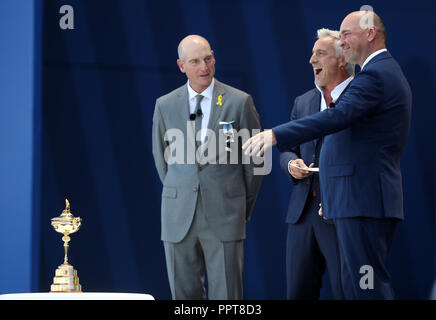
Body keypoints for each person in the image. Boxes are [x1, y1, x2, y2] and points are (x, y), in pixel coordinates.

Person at [243, 11, 412, 299]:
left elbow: (339, 116)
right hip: (352, 202)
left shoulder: (377, 75)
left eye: (346, 34)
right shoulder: (378, 73)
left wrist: (275, 135)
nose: (343, 40)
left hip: (363, 202)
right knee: (359, 286)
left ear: (370, 34)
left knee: (366, 287)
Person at [152, 35, 262, 300]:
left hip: (225, 213)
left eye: (208, 59)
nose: (204, 67)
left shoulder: (239, 101)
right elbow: (162, 158)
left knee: (226, 296)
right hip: (179, 216)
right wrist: (182, 190)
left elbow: (255, 162)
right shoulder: (165, 105)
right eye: (195, 61)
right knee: (183, 296)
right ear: (181, 66)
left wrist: (239, 206)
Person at [281, 28, 354, 299]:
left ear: (342, 59)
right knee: (298, 293)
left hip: (341, 213)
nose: (312, 60)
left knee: (346, 291)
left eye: (320, 54)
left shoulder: (361, 97)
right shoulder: (303, 102)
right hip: (302, 214)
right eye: (312, 54)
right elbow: (287, 148)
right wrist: (290, 164)